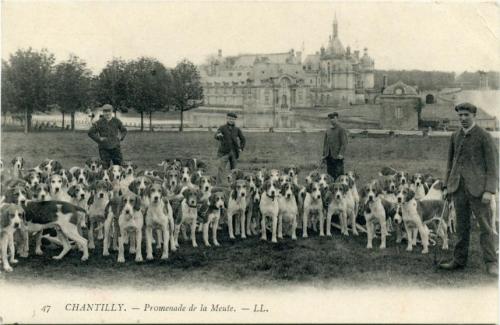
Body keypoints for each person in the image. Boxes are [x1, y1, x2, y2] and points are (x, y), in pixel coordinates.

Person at [439, 102, 498, 276]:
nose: (463, 118)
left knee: (486, 227)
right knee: (461, 226)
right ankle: (458, 260)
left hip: (479, 191)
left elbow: (493, 166)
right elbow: (450, 163)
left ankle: (492, 262)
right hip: (458, 188)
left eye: (466, 115)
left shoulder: (484, 136)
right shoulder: (455, 136)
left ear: (474, 116)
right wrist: (446, 186)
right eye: (460, 115)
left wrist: (489, 190)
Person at [88, 104, 127, 168]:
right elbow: (90, 132)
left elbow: (124, 130)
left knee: (118, 167)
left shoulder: (116, 121)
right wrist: (99, 139)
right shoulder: (99, 122)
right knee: (105, 167)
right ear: (103, 112)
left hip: (115, 148)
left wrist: (121, 137)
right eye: (105, 111)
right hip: (104, 149)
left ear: (112, 111)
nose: (107, 113)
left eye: (109, 111)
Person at [215, 112, 246, 185]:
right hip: (224, 152)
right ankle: (220, 184)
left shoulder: (237, 129)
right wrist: (218, 135)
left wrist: (241, 148)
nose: (231, 120)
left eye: (233, 119)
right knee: (221, 168)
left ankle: (234, 184)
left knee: (234, 170)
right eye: (229, 118)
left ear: (235, 120)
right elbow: (216, 135)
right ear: (227, 119)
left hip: (234, 152)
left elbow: (243, 139)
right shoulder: (222, 128)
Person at [322, 112, 348, 180]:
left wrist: (341, 154)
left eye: (333, 118)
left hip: (337, 157)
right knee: (330, 175)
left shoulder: (341, 129)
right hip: (329, 156)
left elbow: (344, 143)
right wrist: (324, 155)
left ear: (337, 118)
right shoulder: (328, 130)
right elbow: (325, 144)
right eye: (330, 118)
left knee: (339, 175)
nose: (331, 120)